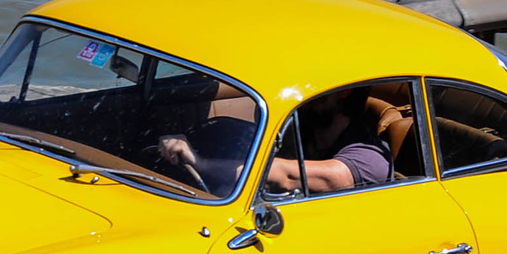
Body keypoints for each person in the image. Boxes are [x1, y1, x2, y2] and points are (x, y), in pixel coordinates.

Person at [159, 85, 391, 195]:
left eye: (312, 86)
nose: (304, 93)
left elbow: (285, 175)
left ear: (343, 92)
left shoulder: (369, 159)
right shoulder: (300, 131)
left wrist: (200, 163)